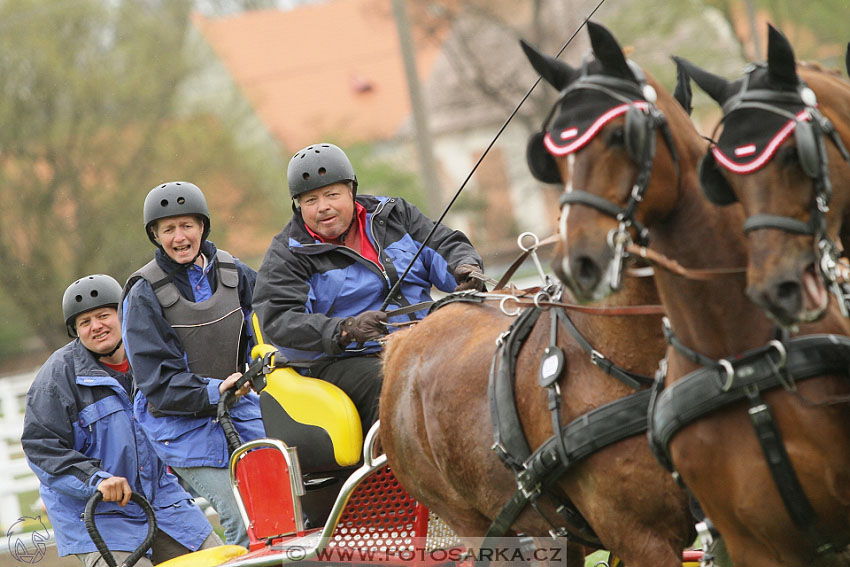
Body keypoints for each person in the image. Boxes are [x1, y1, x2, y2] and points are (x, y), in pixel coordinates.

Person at [252, 143, 484, 435]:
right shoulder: (288, 253)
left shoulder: (394, 214)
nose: (323, 207)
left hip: (425, 337)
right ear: (298, 205)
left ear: (351, 190)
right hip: (344, 360)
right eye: (310, 200)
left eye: (332, 194)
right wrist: (345, 330)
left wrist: (464, 267)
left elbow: (444, 245)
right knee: (397, 384)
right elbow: (279, 320)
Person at [22, 274, 221, 567]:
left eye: (103, 315)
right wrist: (97, 480)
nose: (96, 327)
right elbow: (42, 450)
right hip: (98, 514)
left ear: (123, 313)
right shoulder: (56, 379)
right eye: (84, 322)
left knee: (221, 560)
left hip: (164, 503)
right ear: (76, 331)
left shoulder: (153, 358)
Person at [121, 181, 264, 548]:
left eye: (187, 226)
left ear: (203, 227)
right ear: (155, 235)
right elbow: (157, 381)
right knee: (240, 516)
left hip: (241, 408)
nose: (179, 237)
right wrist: (212, 390)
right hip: (179, 425)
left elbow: (266, 330)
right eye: (168, 229)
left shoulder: (237, 273)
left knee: (275, 508)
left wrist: (254, 371)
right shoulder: (143, 294)